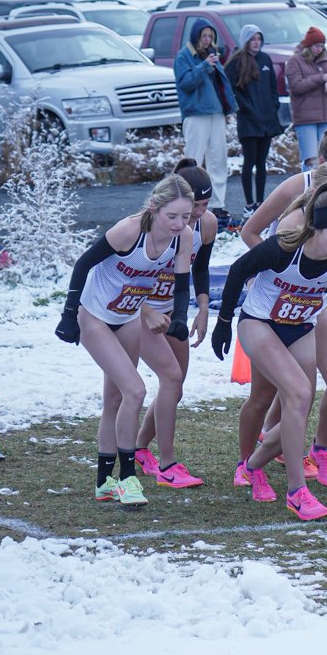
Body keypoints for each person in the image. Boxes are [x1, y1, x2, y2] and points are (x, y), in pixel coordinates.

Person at [211, 184, 327, 519]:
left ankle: (253, 466)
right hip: (259, 323)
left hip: (302, 327)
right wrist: (223, 321)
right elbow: (237, 272)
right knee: (295, 393)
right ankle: (296, 491)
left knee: (299, 407)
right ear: (315, 228)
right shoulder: (283, 247)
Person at [54, 174, 196, 506]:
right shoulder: (130, 231)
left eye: (185, 216)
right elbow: (84, 264)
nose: (178, 224)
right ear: (154, 208)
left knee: (116, 399)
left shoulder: (183, 237)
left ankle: (104, 482)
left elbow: (182, 282)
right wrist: (68, 313)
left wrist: (179, 317)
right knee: (136, 390)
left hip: (129, 317)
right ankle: (128, 478)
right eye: (171, 216)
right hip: (95, 317)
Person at [134, 158, 219, 486]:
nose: (197, 212)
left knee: (175, 385)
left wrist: (202, 307)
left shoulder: (206, 225)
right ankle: (167, 465)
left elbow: (200, 269)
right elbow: (122, 276)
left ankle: (141, 448)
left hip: (175, 310)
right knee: (168, 379)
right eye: (193, 205)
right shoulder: (150, 225)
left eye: (204, 205)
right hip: (138, 311)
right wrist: (145, 310)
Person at [241, 128, 327, 247]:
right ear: (322, 162)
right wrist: (272, 262)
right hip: (287, 257)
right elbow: (249, 232)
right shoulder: (293, 188)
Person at [174, 19, 236, 214]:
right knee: (193, 159)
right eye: (204, 36)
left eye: (211, 36)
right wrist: (203, 66)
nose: (208, 40)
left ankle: (217, 204)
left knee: (218, 159)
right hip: (196, 114)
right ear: (196, 37)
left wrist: (228, 108)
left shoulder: (212, 56)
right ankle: (186, 201)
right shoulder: (184, 56)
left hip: (216, 113)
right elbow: (185, 83)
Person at [225, 25, 283, 214]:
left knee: (262, 162)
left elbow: (273, 88)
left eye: (259, 38)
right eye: (252, 39)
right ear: (246, 41)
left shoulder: (265, 59)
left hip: (266, 120)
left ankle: (260, 202)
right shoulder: (236, 62)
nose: (256, 42)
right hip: (249, 121)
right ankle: (249, 204)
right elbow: (230, 89)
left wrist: (274, 105)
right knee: (249, 162)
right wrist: (244, 107)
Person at [285, 26, 327, 172]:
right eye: (317, 45)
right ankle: (309, 190)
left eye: (322, 46)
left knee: (326, 157)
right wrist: (320, 78)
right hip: (306, 119)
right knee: (310, 160)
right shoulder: (295, 61)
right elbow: (296, 86)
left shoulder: (325, 62)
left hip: (325, 118)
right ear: (309, 45)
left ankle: (324, 190)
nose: (319, 49)